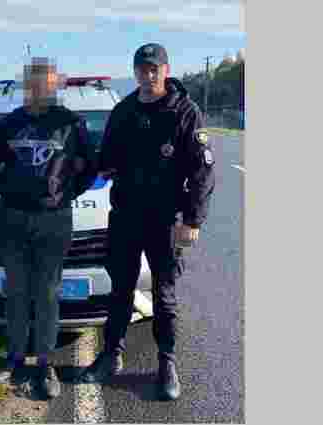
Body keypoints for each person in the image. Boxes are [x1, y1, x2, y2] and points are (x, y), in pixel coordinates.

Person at [77, 43, 215, 401]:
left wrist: (193, 220)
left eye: (154, 69)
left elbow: (202, 172)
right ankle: (111, 355)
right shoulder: (124, 110)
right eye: (142, 69)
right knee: (120, 290)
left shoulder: (185, 111)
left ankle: (166, 363)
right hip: (126, 215)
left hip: (165, 219)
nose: (148, 75)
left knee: (164, 295)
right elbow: (106, 158)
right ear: (136, 71)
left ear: (166, 70)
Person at [0, 57, 96, 399]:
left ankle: (45, 364)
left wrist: (63, 195)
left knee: (47, 293)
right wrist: (10, 191)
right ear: (25, 86)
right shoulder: (10, 122)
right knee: (16, 291)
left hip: (54, 221)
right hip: (13, 218)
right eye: (33, 84)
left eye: (45, 84)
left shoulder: (70, 123)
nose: (38, 90)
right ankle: (15, 359)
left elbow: (89, 168)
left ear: (55, 85)